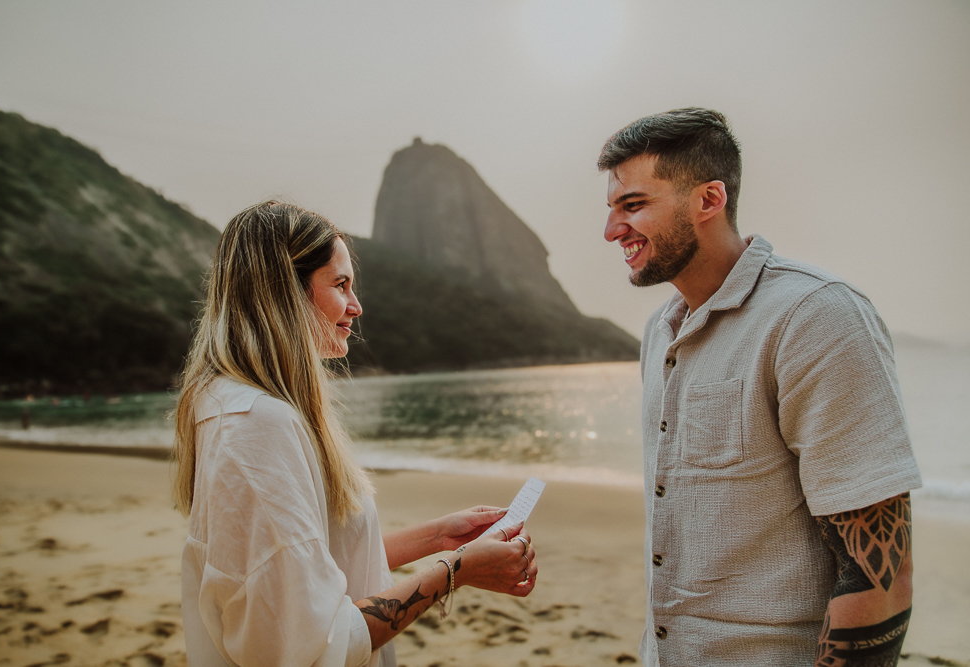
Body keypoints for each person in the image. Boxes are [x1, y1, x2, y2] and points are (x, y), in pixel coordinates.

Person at [598, 109, 921, 667]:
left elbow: (881, 578)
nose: (611, 230)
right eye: (612, 209)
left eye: (633, 205)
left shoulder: (813, 317)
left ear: (709, 200)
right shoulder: (659, 332)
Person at [173, 201, 538, 666]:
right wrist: (456, 570)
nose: (356, 306)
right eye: (340, 284)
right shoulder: (254, 425)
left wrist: (438, 537)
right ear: (285, 292)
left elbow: (304, 565)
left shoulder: (237, 405)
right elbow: (316, 644)